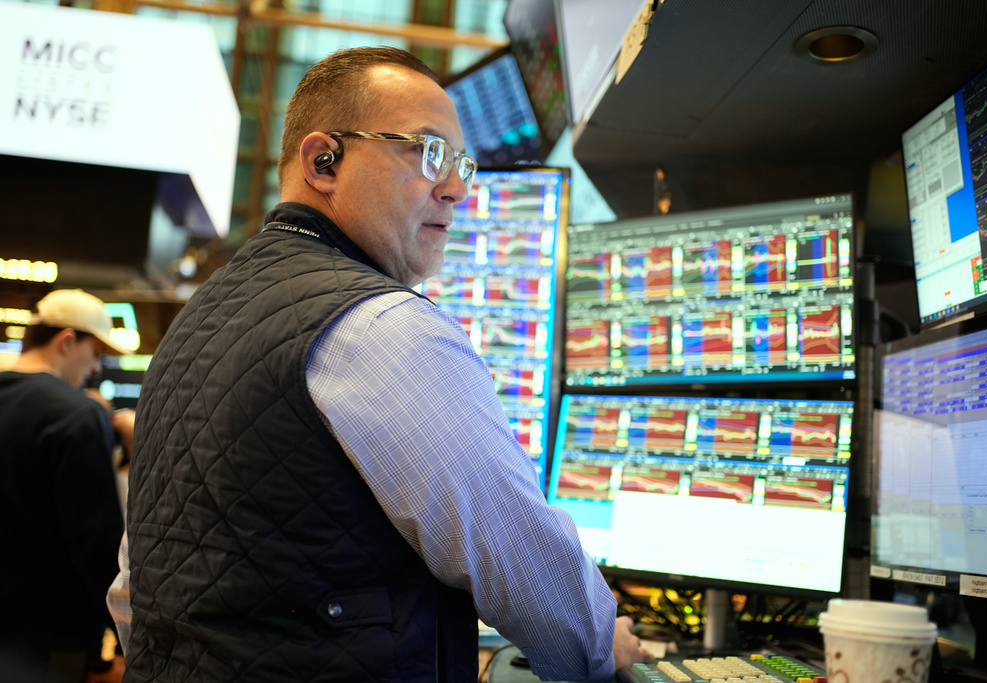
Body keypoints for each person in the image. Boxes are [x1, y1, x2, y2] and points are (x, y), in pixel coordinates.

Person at [124, 46, 653, 682]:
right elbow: (533, 579)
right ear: (324, 161)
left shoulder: (197, 322)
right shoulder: (381, 327)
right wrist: (606, 646)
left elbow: (135, 592)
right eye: (429, 152)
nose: (456, 188)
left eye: (461, 163)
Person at [0, 288, 133, 683]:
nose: (95, 370)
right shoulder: (74, 415)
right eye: (95, 356)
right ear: (67, 341)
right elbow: (96, 541)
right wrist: (126, 641)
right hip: (52, 636)